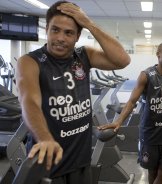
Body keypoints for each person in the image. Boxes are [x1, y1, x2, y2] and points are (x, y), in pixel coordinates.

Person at [15, 1, 130, 183]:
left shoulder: (84, 56)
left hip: (81, 161)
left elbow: (122, 60)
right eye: (55, 30)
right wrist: (44, 138)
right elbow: (29, 101)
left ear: (77, 36)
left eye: (68, 33)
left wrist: (89, 24)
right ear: (47, 30)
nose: (60, 37)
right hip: (49, 164)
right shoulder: (30, 62)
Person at [99, 41, 162, 184]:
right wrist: (118, 121)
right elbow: (131, 102)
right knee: (152, 171)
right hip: (150, 133)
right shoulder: (146, 75)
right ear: (158, 54)